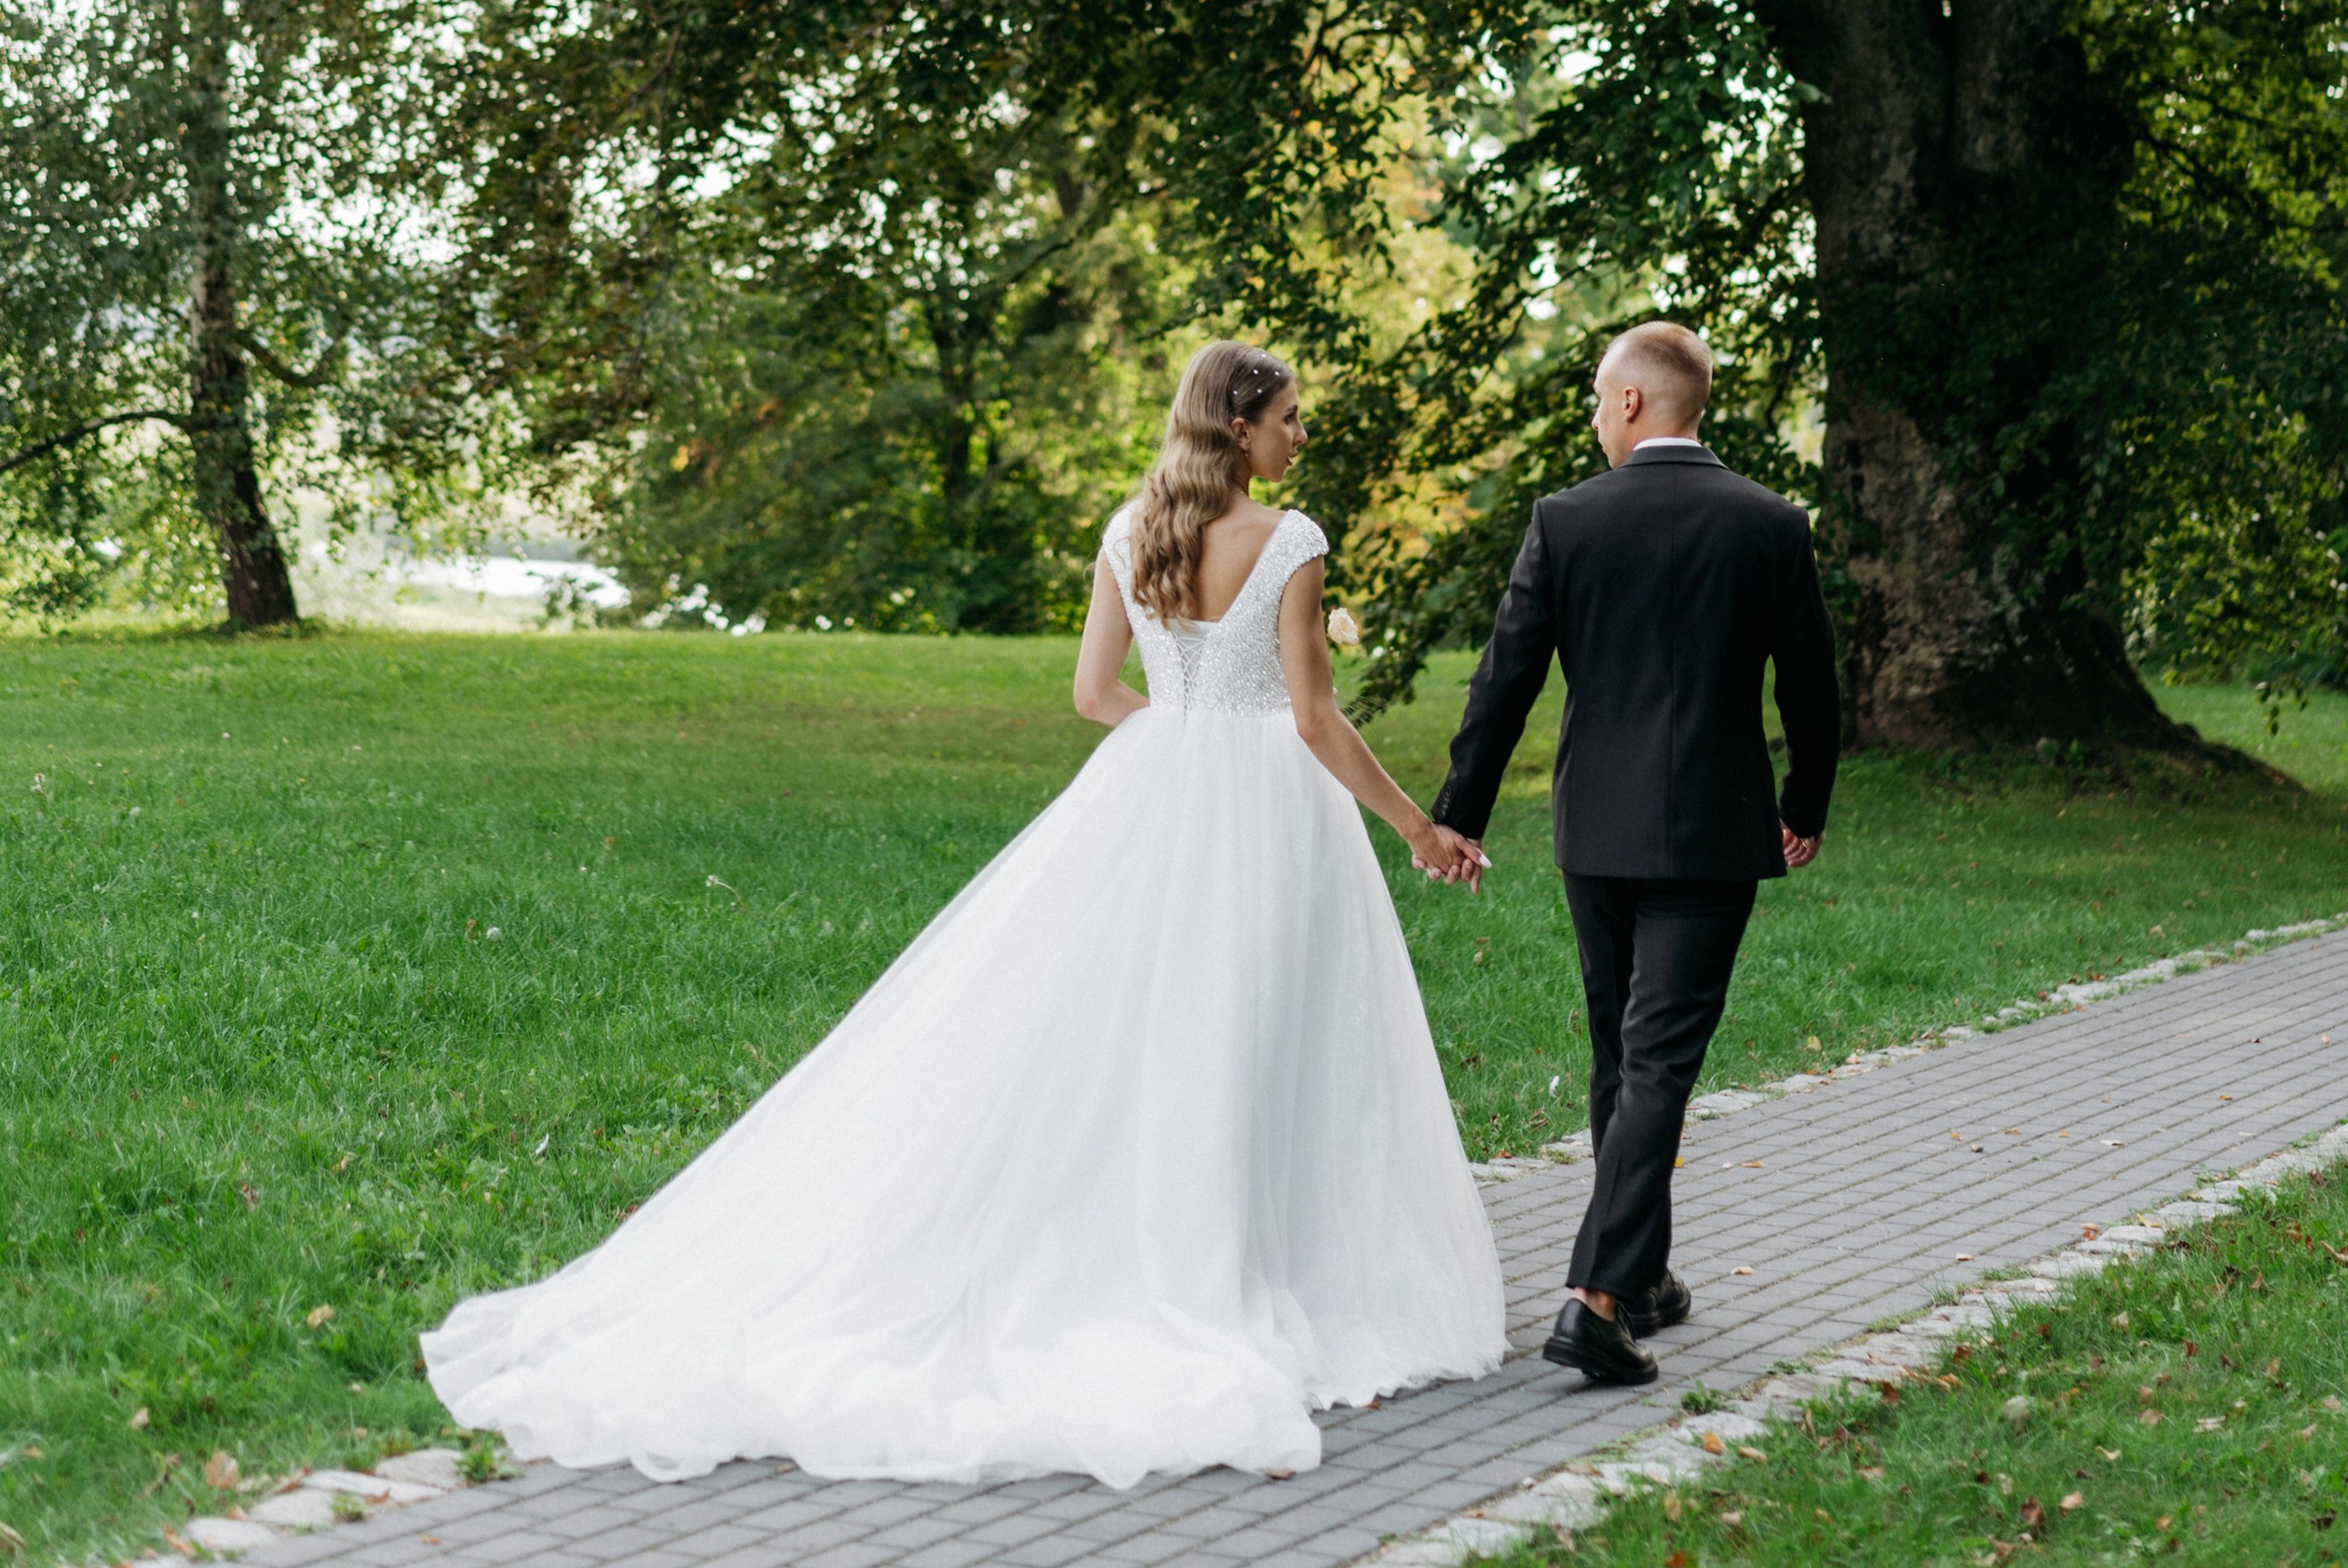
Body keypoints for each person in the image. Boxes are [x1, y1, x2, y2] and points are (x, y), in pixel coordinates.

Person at [421, 339, 1506, 1490]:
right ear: (1240, 430)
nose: (1299, 436)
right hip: (1268, 817)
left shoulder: (1128, 530)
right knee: (1261, 1036)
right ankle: (1259, 1275)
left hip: (1151, 797)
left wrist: (1178, 743)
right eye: (1289, 418)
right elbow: (1312, 721)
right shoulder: (1288, 540)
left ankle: (1164, 1253)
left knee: (1148, 1033)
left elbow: (1094, 695)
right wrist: (1416, 827)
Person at [1430, 319, 1839, 1391]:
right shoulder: (1767, 522)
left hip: (1595, 832)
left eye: (1595, 397)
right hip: (1711, 830)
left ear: (1629, 404)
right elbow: (1812, 688)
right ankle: (1597, 1298)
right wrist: (1804, 804)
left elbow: (1502, 681)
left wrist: (1459, 812)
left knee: (1623, 1050)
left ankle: (1641, 1276)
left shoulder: (1565, 521)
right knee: (1655, 1060)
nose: (1592, 414)